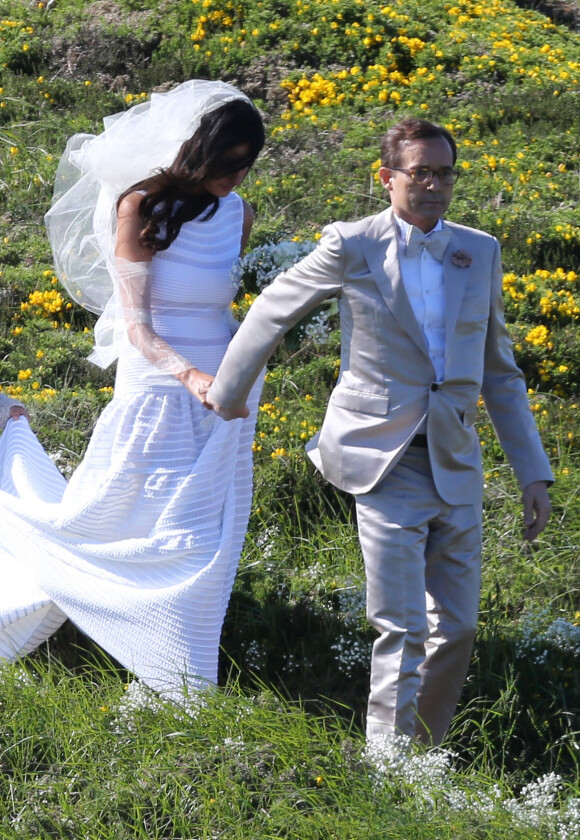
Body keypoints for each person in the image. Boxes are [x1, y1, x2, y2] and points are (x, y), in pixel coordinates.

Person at [206, 117, 553, 747]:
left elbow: (500, 373)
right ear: (387, 177)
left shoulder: (481, 250)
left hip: (456, 457)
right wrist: (227, 394)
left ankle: (424, 754)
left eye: (444, 172)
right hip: (381, 457)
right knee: (402, 626)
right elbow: (274, 308)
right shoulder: (351, 244)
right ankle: (390, 769)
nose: (434, 185)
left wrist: (533, 472)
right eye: (420, 172)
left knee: (459, 628)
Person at [0, 80, 265, 698]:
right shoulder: (140, 205)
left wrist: (233, 373)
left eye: (245, 166)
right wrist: (189, 375)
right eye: (224, 163)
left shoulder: (240, 215)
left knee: (201, 531)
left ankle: (174, 669)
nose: (233, 177)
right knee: (112, 524)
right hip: (157, 384)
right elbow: (137, 328)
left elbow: (223, 309)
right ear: (196, 150)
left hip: (221, 394)